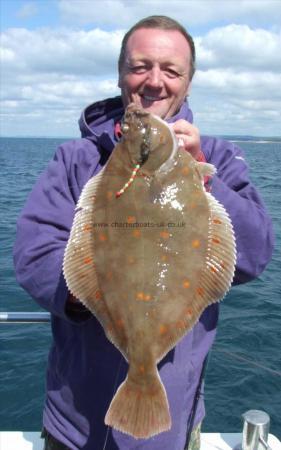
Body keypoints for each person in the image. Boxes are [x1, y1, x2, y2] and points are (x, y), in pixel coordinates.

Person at [13, 15, 274, 450]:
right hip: (74, 420)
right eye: (140, 66)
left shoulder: (220, 158)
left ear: (188, 82)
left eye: (171, 70)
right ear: (121, 74)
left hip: (173, 417)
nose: (154, 81)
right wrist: (101, 290)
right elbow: (32, 254)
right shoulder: (75, 159)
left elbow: (254, 255)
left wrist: (202, 175)